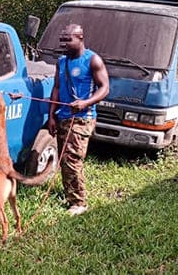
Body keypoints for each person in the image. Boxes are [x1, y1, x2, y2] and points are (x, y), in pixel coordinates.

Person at [48, 24, 109, 216]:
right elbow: (56, 88)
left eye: (68, 39)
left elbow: (104, 88)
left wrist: (85, 103)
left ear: (80, 37)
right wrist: (51, 115)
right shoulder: (62, 62)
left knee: (72, 159)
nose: (64, 43)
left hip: (82, 118)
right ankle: (70, 194)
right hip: (63, 116)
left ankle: (79, 203)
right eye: (62, 40)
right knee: (65, 159)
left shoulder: (93, 60)